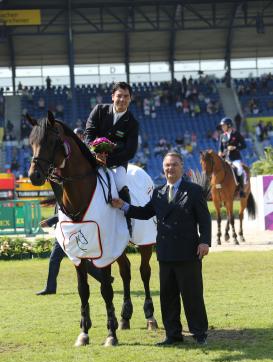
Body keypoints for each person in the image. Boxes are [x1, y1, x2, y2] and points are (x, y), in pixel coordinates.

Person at [112, 151, 211, 346]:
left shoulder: (194, 191)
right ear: (163, 168)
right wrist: (123, 206)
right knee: (168, 297)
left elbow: (204, 219)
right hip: (165, 253)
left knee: (192, 296)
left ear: (181, 167)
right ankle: (173, 335)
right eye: (167, 165)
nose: (170, 168)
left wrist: (205, 241)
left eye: (174, 164)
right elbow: (144, 212)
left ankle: (199, 333)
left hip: (188, 253)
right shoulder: (158, 192)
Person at [84, 81, 139, 236]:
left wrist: (108, 161)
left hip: (117, 163)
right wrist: (95, 154)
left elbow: (130, 151)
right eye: (119, 96)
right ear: (113, 96)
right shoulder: (99, 110)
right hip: (93, 158)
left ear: (130, 99)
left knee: (121, 184)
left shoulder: (132, 123)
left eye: (126, 96)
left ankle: (128, 221)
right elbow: (88, 135)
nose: (122, 99)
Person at [36, 212, 103, 295]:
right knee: (59, 260)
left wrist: (50, 221)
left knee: (74, 259)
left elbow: (66, 211)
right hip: (63, 232)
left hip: (69, 233)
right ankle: (103, 278)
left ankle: (50, 288)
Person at [218, 117, 247, 197]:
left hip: (235, 158)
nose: (222, 127)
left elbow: (244, 145)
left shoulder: (236, 134)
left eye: (224, 125)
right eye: (222, 126)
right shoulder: (222, 136)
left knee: (239, 170)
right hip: (225, 159)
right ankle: (218, 189)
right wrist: (220, 153)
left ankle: (241, 189)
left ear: (229, 125)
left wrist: (235, 147)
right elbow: (220, 149)